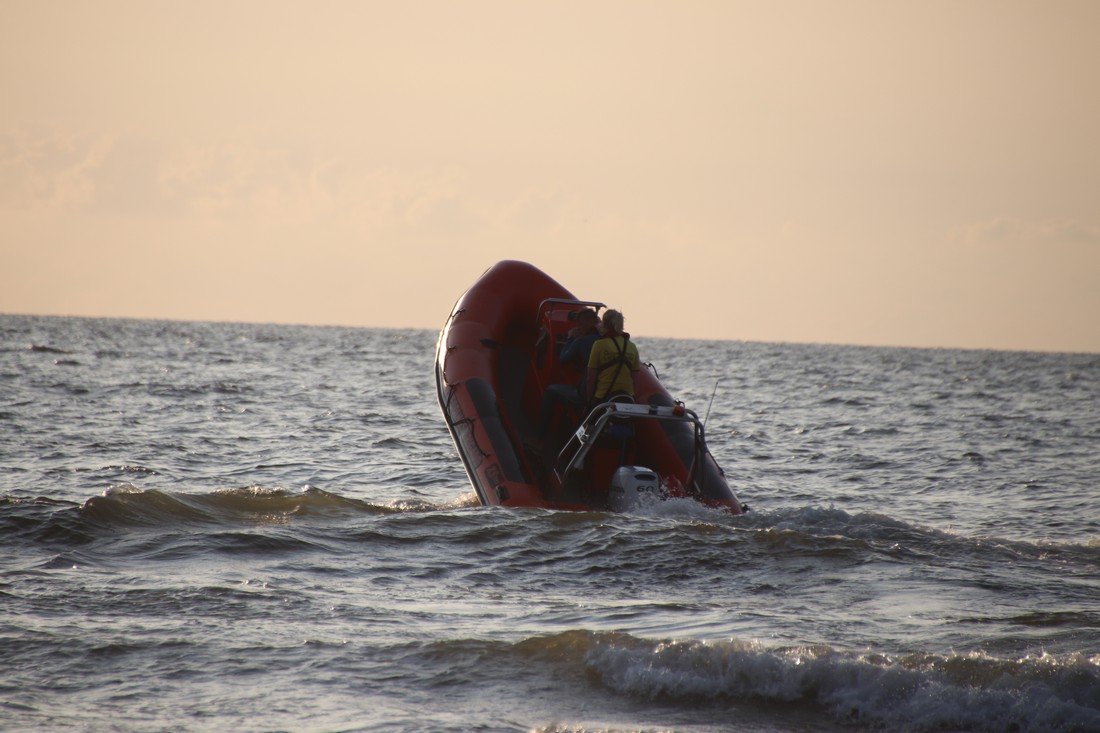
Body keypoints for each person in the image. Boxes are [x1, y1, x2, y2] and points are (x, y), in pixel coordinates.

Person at [536, 308, 601, 439]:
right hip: (604, 395)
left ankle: (540, 438)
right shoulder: (605, 341)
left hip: (586, 396)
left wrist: (570, 338)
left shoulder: (580, 341)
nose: (578, 327)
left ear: (585, 325)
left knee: (551, 391)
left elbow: (563, 358)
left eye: (580, 325)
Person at [586, 309, 640, 405]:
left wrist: (589, 400)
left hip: (604, 396)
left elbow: (591, 377)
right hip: (628, 397)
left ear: (605, 324)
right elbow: (636, 378)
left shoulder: (599, 344)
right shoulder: (632, 346)